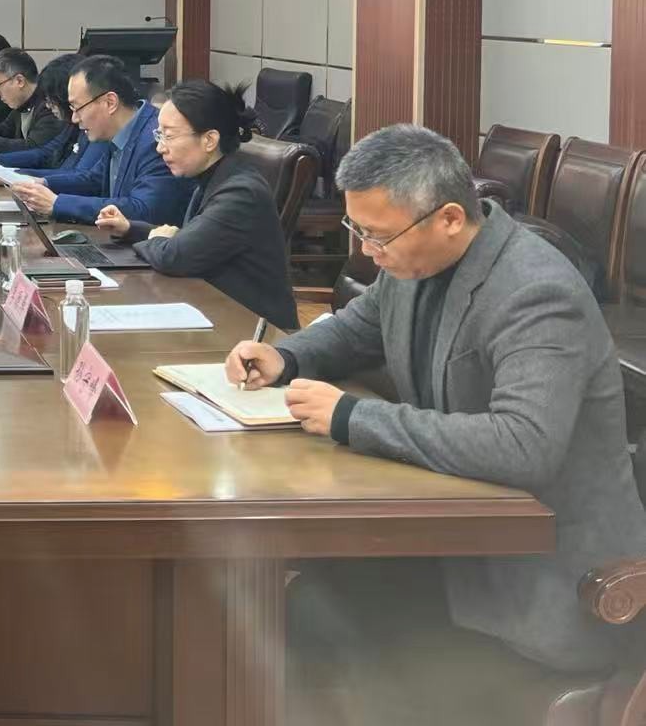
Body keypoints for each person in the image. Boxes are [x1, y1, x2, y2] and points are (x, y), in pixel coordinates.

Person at [225, 123, 646, 678]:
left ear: (448, 217)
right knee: (287, 600)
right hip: (459, 537)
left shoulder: (536, 292)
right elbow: (357, 327)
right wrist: (286, 356)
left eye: (378, 236)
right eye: (358, 230)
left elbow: (523, 445)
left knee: (300, 616)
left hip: (541, 581)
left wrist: (351, 415)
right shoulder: (416, 258)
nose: (368, 251)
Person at [95, 79, 296, 330]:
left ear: (209, 140)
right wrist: (131, 229)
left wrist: (158, 240)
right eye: (159, 135)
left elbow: (175, 256)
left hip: (257, 333)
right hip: (217, 313)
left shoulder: (241, 193)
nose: (160, 147)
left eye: (169, 136)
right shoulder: (213, 175)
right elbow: (191, 239)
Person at [13, 54, 189, 225]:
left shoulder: (156, 139)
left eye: (77, 107)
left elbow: (142, 210)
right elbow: (93, 180)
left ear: (110, 102)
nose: (74, 118)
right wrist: (41, 182)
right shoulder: (120, 132)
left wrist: (57, 203)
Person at [0, 53, 99, 178]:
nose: (48, 106)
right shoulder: (71, 125)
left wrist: (17, 175)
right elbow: (46, 153)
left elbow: (80, 176)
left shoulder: (96, 128)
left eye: (51, 100)